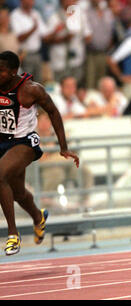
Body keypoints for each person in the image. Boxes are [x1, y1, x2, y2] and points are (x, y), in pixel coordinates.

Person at [0, 50, 79, 255]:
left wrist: (63, 147)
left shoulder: (31, 90)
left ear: (13, 71)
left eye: (1, 71)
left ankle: (12, 234)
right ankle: (38, 217)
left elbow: (53, 112)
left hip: (24, 142)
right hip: (2, 142)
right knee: (18, 193)